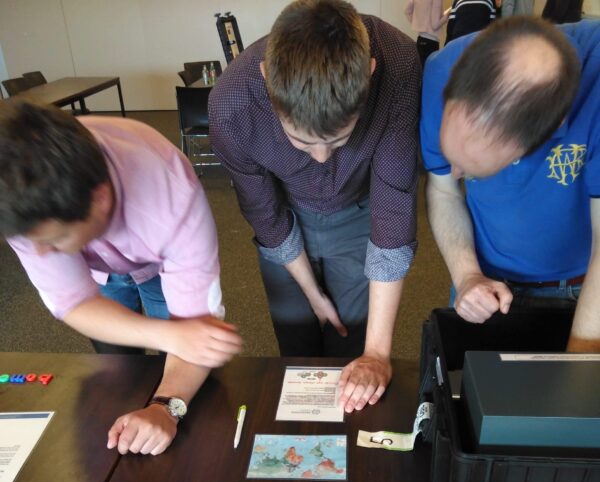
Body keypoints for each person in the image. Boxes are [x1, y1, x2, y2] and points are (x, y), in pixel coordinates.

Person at [209, 0, 420, 413]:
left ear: (369, 72)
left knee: (353, 342)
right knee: (295, 342)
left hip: (362, 211)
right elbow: (264, 212)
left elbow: (393, 205)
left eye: (338, 140)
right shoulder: (231, 104)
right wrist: (312, 292)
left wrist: (377, 354)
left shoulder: (397, 60)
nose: (322, 157)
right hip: (284, 217)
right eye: (303, 142)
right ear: (267, 78)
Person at [0, 101, 242, 455]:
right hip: (100, 266)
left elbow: (197, 332)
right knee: (120, 374)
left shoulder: (171, 196)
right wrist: (165, 333)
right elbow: (74, 302)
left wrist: (165, 407)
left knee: (188, 373)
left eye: (54, 240)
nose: (41, 255)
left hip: (158, 258)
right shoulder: (17, 194)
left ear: (99, 199)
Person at [421, 16, 600, 352]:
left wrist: (577, 365)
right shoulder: (441, 70)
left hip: (585, 288)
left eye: (474, 172)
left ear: (546, 135)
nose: (455, 172)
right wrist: (467, 275)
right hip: (487, 281)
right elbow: (444, 190)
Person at [405, 0, 450, 67]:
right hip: (431, 43)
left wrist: (418, 24)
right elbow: (435, 25)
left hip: (420, 39)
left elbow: (407, 11)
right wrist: (447, 16)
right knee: (430, 70)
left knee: (420, 69)